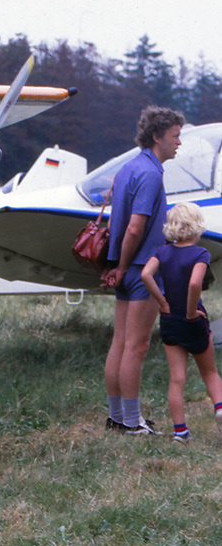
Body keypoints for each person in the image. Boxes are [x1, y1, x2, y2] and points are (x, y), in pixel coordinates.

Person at [100, 106, 185, 435]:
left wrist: (114, 264)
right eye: (175, 136)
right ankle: (133, 423)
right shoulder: (151, 174)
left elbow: (117, 223)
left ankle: (117, 417)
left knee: (120, 342)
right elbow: (136, 228)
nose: (179, 142)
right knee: (137, 345)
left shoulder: (129, 168)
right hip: (141, 269)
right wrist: (123, 267)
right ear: (157, 136)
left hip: (126, 266)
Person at [139, 202, 222, 442]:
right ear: (197, 226)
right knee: (210, 373)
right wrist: (191, 312)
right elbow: (195, 283)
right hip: (193, 320)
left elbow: (145, 274)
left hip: (169, 320)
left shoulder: (161, 252)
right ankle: (219, 408)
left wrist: (162, 303)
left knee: (177, 378)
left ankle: (181, 432)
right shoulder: (200, 253)